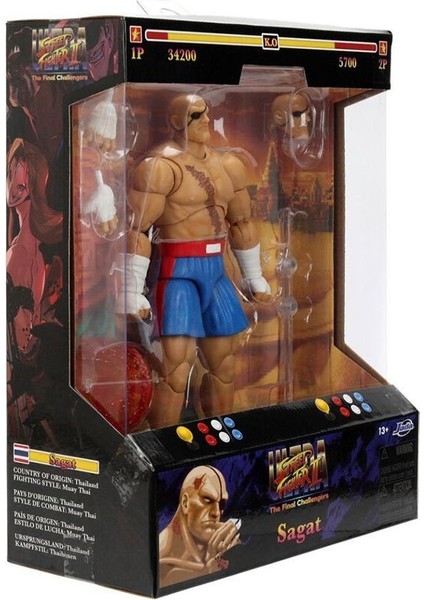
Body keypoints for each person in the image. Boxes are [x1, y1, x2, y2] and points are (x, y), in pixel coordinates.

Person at [118, 94, 271, 427]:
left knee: (225, 364)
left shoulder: (229, 165)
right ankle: (162, 443)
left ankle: (222, 436)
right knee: (175, 367)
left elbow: (241, 223)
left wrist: (253, 275)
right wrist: (131, 288)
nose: (206, 120)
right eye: (196, 115)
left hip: (217, 272)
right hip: (178, 272)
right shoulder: (160, 167)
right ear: (176, 121)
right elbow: (137, 229)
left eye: (207, 114)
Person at [159, 465, 240, 587]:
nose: (216, 513)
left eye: (222, 504)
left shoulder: (220, 546)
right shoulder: (161, 560)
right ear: (185, 503)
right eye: (207, 500)